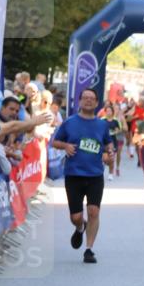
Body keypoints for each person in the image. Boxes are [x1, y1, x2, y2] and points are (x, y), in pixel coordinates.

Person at [50, 87, 115, 264]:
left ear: (96, 103)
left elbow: (108, 144)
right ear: (80, 101)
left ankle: (89, 249)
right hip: (74, 174)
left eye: (91, 98)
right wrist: (66, 147)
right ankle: (80, 227)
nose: (88, 100)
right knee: (76, 216)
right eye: (84, 98)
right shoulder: (70, 122)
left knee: (94, 211)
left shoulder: (102, 125)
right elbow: (54, 141)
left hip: (95, 175)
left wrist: (110, 153)